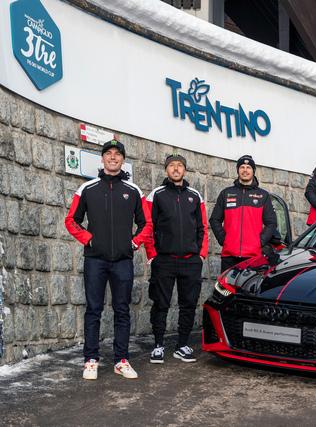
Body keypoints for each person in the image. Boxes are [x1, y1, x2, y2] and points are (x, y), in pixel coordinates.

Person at [65, 140, 148, 380]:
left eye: (117, 154)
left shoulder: (133, 191)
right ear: (102, 159)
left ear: (123, 160)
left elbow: (147, 224)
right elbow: (71, 220)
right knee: (94, 309)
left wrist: (133, 243)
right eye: (108, 153)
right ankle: (91, 360)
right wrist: (88, 239)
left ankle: (121, 361)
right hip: (95, 260)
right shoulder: (87, 188)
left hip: (122, 261)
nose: (113, 157)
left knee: (122, 310)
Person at [144, 154, 208, 364]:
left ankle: (182, 345)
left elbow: (202, 227)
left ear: (184, 170)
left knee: (188, 304)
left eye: (180, 165)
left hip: (190, 261)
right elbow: (148, 226)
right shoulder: (157, 195)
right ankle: (158, 346)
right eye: (172, 165)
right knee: (160, 304)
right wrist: (152, 255)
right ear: (166, 170)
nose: (176, 169)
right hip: (164, 260)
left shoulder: (195, 196)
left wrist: (201, 254)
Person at [209, 155, 277, 272]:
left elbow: (271, 223)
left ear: (253, 171)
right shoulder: (226, 193)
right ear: (238, 170)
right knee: (226, 285)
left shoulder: (263, 195)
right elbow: (214, 220)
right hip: (229, 257)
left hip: (253, 257)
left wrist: (259, 242)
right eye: (242, 167)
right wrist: (224, 240)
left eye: (248, 167)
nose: (245, 170)